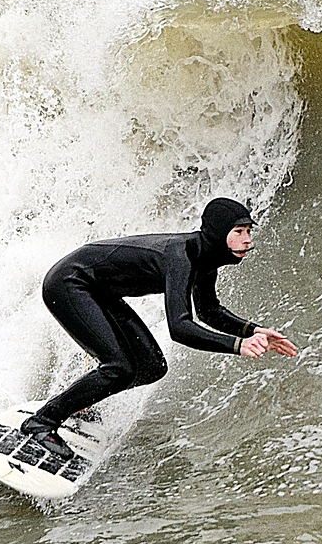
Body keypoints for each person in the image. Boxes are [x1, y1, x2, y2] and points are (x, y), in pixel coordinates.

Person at [19, 197, 298, 459]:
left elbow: (209, 312)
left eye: (249, 231)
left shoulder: (205, 259)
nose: (247, 240)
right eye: (238, 231)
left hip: (100, 292)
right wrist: (237, 346)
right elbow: (180, 327)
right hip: (70, 283)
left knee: (152, 367)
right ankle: (42, 422)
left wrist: (254, 331)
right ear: (217, 232)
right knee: (120, 367)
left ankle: (80, 401)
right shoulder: (181, 257)